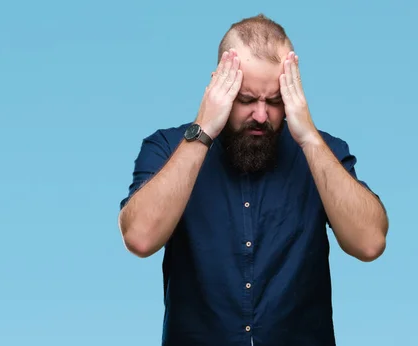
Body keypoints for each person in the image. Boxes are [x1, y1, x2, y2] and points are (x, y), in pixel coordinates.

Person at [117, 14, 389, 346]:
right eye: (246, 100)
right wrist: (201, 132)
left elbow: (370, 243)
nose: (261, 116)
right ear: (220, 86)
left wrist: (310, 139)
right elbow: (140, 238)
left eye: (275, 102)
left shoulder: (325, 153)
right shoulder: (167, 148)